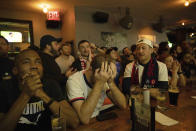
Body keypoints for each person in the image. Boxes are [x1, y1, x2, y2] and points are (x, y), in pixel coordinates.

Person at [0, 49, 79, 131]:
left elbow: (74, 122)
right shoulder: (5, 88)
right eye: (26, 62)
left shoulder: (50, 85)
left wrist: (42, 95)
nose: (34, 66)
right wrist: (26, 94)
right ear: (15, 70)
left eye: (38, 62)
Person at [66, 55, 127, 124]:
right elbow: (84, 119)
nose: (106, 78)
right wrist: (100, 83)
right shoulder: (74, 80)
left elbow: (123, 105)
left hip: (97, 118)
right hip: (80, 124)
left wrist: (110, 82)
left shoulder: (105, 75)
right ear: (91, 69)